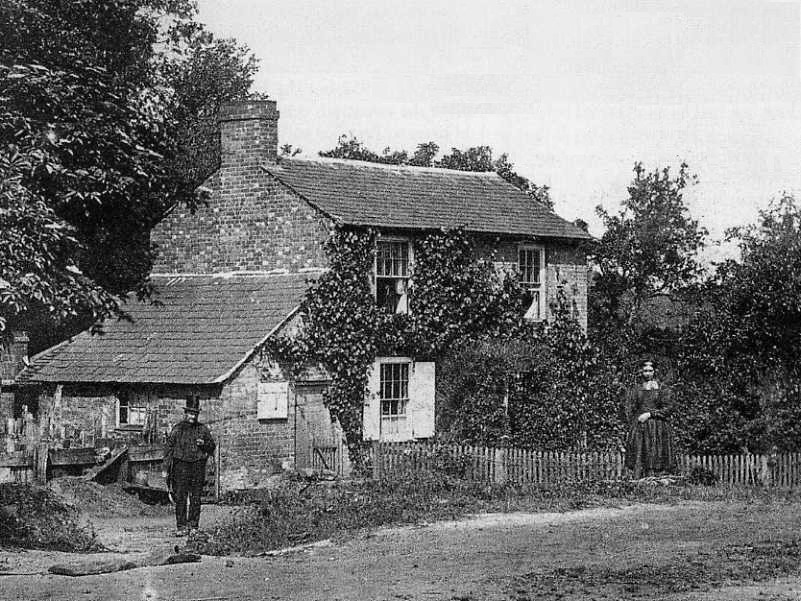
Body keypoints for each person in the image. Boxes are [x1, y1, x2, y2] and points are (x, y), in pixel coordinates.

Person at [163, 397, 216, 536]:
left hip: (197, 466)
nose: (192, 417)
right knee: (180, 496)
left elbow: (212, 447)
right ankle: (181, 526)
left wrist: (203, 444)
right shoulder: (178, 429)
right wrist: (165, 468)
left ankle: (193, 526)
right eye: (190, 414)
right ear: (186, 414)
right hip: (180, 466)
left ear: (197, 415)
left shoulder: (202, 429)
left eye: (195, 414)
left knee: (196, 497)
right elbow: (169, 449)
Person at [624, 361, 676, 478]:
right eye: (645, 371)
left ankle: (657, 480)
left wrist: (650, 414)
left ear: (654, 371)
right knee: (639, 452)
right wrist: (633, 421)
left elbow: (668, 408)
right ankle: (639, 482)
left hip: (657, 427)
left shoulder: (662, 388)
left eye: (650, 371)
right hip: (640, 426)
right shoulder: (637, 389)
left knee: (655, 451)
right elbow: (631, 407)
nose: (647, 374)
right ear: (642, 372)